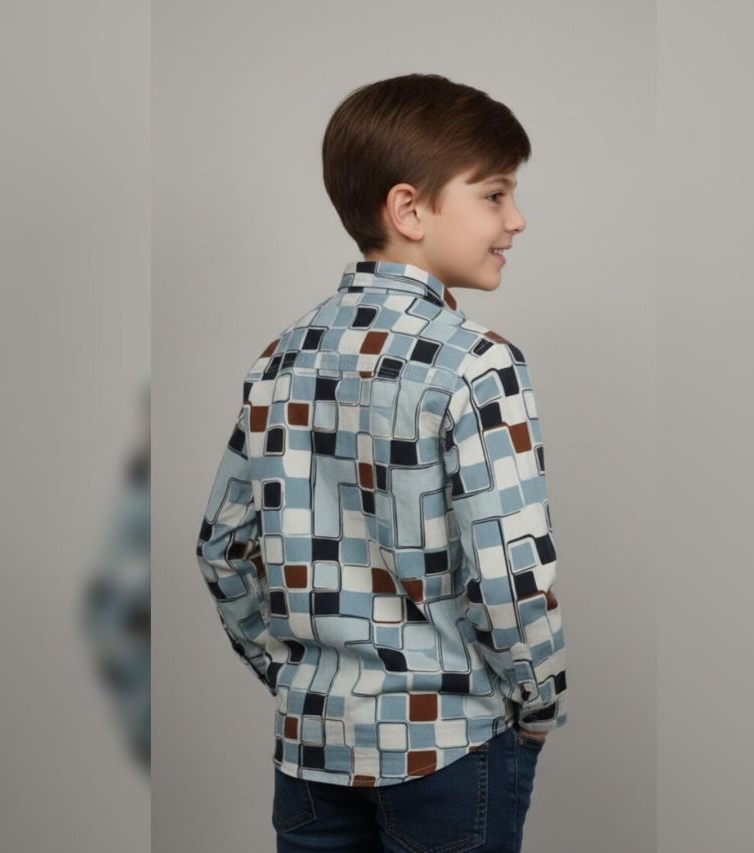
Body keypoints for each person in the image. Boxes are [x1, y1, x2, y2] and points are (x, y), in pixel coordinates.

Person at [195, 72, 567, 852]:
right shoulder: (478, 364)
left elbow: (222, 547)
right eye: (495, 194)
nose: (518, 218)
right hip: (450, 747)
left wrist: (299, 678)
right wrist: (536, 704)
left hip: (311, 751)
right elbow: (509, 576)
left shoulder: (282, 359)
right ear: (409, 209)